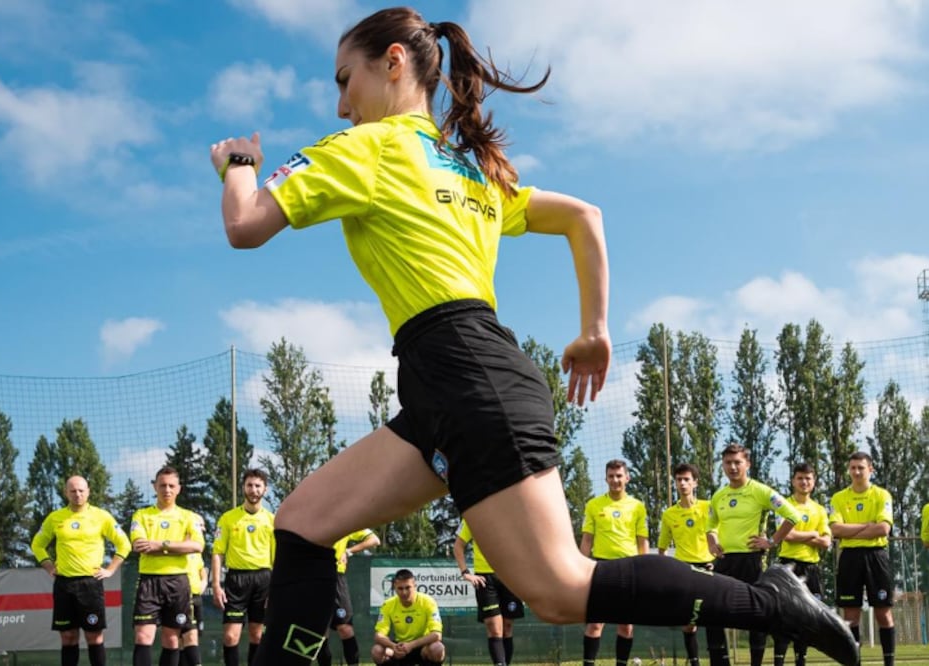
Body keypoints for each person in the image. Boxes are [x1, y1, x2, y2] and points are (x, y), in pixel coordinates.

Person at [208, 7, 858, 666]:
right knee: (302, 524)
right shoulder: (470, 169)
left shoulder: (364, 148)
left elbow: (245, 223)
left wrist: (238, 161)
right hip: (449, 385)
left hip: (466, 377)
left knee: (559, 588)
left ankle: (770, 601)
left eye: (345, 79)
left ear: (394, 64)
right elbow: (583, 215)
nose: (342, 104)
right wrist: (594, 330)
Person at [705, 444, 802, 666]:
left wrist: (772, 541)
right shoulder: (719, 496)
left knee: (755, 616)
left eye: (737, 462)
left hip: (752, 561)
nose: (732, 467)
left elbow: (792, 515)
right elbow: (710, 524)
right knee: (713, 611)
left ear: (747, 464)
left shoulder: (761, 491)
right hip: (724, 561)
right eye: (728, 463)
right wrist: (712, 541)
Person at [31, 475, 131, 666]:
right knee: (68, 637)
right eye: (73, 491)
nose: (77, 494)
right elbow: (37, 545)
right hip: (64, 584)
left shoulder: (101, 516)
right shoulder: (55, 518)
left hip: (90, 584)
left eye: (81, 490)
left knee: (94, 636)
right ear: (66, 493)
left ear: (88, 491)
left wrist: (110, 569)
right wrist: (49, 566)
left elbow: (124, 544)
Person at [130, 466, 206, 666]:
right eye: (162, 485)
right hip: (149, 581)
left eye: (171, 485)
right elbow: (139, 545)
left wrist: (159, 544)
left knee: (172, 639)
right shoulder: (141, 515)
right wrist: (177, 547)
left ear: (179, 488)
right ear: (155, 487)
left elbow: (197, 546)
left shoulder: (189, 517)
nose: (167, 490)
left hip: (178, 582)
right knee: (143, 637)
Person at [829, 451, 895, 666]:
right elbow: (835, 530)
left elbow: (883, 528)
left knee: (883, 614)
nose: (856, 472)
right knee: (850, 616)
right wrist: (868, 526)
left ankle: (889, 662)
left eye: (861, 468)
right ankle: (854, 662)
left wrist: (851, 531)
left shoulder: (882, 495)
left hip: (876, 556)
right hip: (849, 558)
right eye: (853, 468)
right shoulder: (839, 498)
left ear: (870, 470)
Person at [580, 460, 648, 666]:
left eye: (619, 476)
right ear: (605, 478)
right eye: (611, 476)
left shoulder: (637, 506)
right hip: (601, 567)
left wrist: (644, 571)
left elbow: (642, 541)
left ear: (627, 478)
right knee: (594, 624)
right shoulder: (593, 505)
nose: (615, 480)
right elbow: (587, 540)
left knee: (626, 626)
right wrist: (581, 567)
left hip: (629, 568)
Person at [211, 469, 275, 666]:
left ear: (265, 489)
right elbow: (217, 552)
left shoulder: (272, 520)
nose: (253, 490)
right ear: (243, 488)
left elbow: (278, 558)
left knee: (257, 635)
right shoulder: (228, 518)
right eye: (249, 485)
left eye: (258, 486)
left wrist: (276, 588)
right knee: (231, 637)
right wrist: (216, 585)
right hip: (236, 580)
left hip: (264, 579)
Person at [772, 463, 831, 666]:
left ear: (813, 482)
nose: (804, 482)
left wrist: (804, 537)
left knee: (807, 615)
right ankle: (779, 659)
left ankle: (801, 659)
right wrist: (814, 534)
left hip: (811, 567)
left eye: (808, 478)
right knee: (783, 614)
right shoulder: (783, 505)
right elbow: (785, 535)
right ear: (793, 481)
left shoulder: (820, 510)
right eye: (800, 478)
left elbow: (826, 542)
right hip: (788, 566)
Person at [657, 463, 713, 666]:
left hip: (709, 567)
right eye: (679, 480)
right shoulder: (669, 514)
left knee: (716, 619)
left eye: (686, 479)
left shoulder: (708, 507)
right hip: (684, 570)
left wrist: (717, 561)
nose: (682, 483)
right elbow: (662, 548)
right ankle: (695, 662)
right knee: (689, 623)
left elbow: (719, 537)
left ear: (695, 482)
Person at [453, 519, 523, 666]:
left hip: (510, 575)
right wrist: (465, 573)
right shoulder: (472, 515)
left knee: (507, 627)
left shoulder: (514, 512)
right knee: (494, 628)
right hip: (485, 578)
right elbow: (458, 546)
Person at [318, 528, 381, 666]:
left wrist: (349, 551)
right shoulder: (313, 520)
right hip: (315, 580)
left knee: (345, 629)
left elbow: (375, 540)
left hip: (337, 579)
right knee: (321, 635)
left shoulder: (346, 521)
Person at [371, 569, 445, 665]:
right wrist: (393, 646)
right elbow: (378, 636)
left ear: (415, 586)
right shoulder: (388, 604)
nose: (404, 592)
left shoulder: (428, 602)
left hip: (422, 647)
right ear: (394, 588)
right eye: (400, 588)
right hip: (399, 648)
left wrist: (411, 645)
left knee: (437, 648)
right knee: (377, 650)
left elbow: (437, 635)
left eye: (408, 588)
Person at [181, 532, 209, 666]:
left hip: (196, 598)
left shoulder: (197, 554)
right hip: (181, 598)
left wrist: (201, 586)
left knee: (193, 636)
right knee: (185, 637)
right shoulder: (176, 550)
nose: (201, 530)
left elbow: (203, 574)